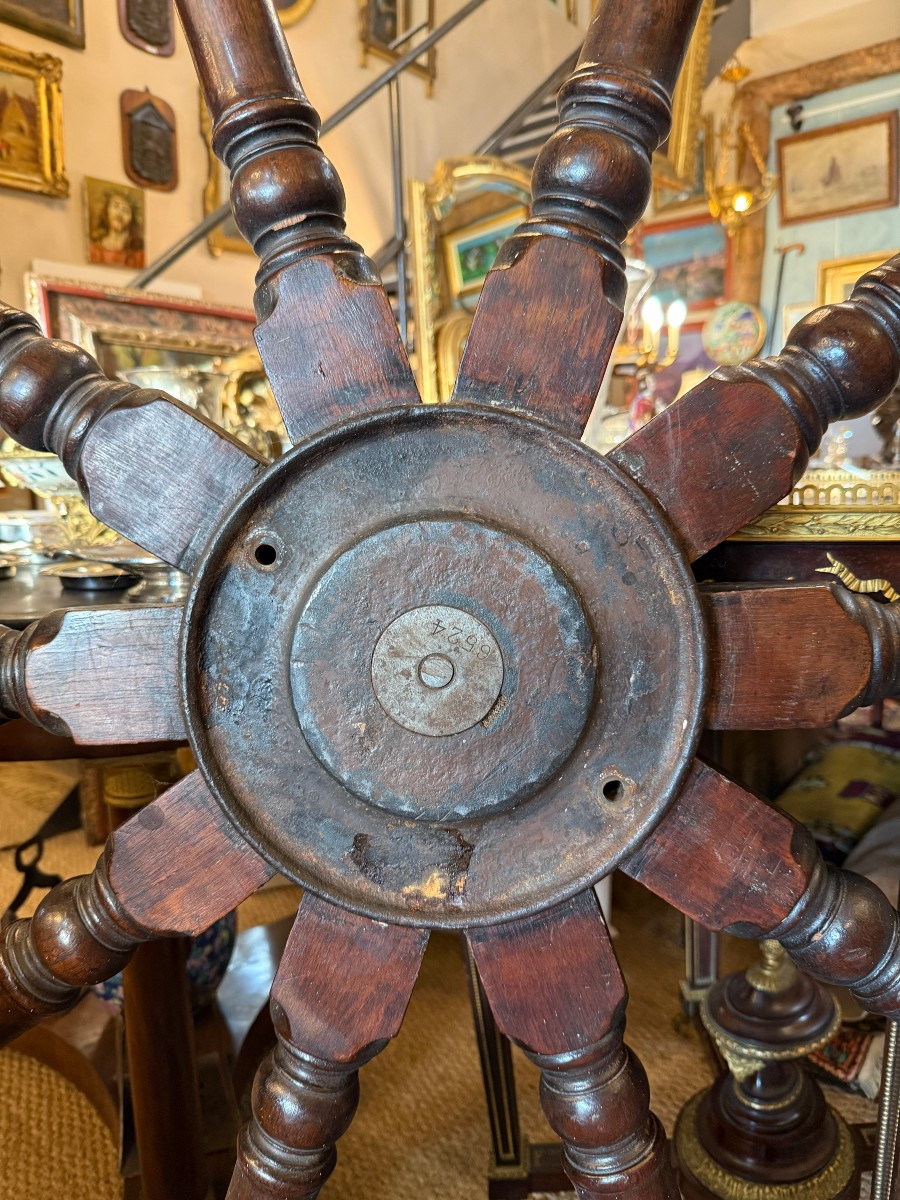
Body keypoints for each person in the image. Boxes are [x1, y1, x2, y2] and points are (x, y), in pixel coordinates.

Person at [89, 189, 144, 268]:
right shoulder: (94, 248)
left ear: (132, 219)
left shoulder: (138, 253)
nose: (119, 213)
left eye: (125, 210)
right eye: (116, 206)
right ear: (107, 210)